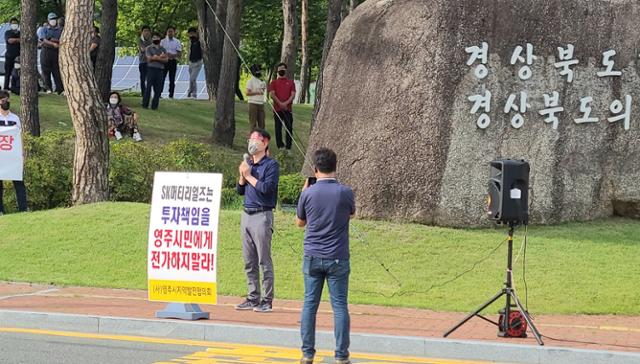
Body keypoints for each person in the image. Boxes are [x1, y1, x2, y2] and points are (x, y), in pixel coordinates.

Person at [295, 148, 355, 364]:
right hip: (338, 255)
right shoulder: (345, 192)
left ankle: (307, 353)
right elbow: (350, 214)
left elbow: (300, 223)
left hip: (312, 255)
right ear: (335, 166)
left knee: (310, 304)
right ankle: (341, 355)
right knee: (339, 306)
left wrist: (305, 193)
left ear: (315, 169)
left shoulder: (308, 193)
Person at [236, 129, 280, 313]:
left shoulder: (271, 165)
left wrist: (248, 176)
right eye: (250, 138)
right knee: (249, 260)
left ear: (265, 143)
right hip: (246, 214)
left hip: (262, 215)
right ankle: (252, 296)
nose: (252, 142)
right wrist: (242, 175)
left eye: (256, 139)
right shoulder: (248, 164)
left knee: (264, 259)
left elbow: (266, 189)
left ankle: (266, 300)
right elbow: (240, 191)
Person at [0, 90, 28, 215]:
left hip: (13, 156)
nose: (6, 102)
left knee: (19, 182)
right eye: (3, 100)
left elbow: (19, 136)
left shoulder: (15, 118)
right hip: (1, 155)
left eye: (7, 99)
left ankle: (23, 209)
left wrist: (22, 154)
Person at [268, 62, 296, 150]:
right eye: (280, 70)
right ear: (277, 71)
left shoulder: (291, 83)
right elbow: (272, 94)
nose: (281, 71)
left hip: (288, 109)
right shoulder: (273, 83)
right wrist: (280, 103)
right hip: (277, 109)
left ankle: (288, 147)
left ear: (286, 70)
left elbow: (293, 95)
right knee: (278, 128)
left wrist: (286, 103)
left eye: (283, 69)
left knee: (289, 128)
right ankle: (280, 146)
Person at [142, 32, 168, 110]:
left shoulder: (163, 49)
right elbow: (149, 59)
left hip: (160, 70)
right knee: (148, 88)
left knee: (158, 89)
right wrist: (160, 57)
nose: (155, 39)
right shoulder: (149, 48)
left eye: (157, 37)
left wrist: (157, 57)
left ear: (160, 39)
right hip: (151, 69)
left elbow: (166, 60)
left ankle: (154, 106)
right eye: (154, 38)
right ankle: (145, 104)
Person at [41, 12, 64, 95]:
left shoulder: (60, 30)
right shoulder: (44, 29)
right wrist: (52, 43)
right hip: (46, 51)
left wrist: (52, 39)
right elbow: (43, 40)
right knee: (46, 71)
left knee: (56, 71)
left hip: (55, 52)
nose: (53, 21)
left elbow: (62, 40)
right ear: (48, 20)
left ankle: (60, 89)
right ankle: (48, 88)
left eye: (54, 19)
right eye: (51, 19)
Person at [160, 26, 182, 99]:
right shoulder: (162, 41)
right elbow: (159, 52)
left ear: (174, 32)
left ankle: (171, 95)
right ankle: (159, 93)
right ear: (166, 32)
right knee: (162, 78)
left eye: (171, 31)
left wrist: (172, 55)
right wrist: (166, 55)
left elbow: (179, 54)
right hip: (164, 61)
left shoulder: (177, 41)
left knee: (172, 79)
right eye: (169, 31)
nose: (170, 33)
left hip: (173, 61)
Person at [246, 64, 266, 132]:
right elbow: (247, 93)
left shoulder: (262, 81)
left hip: (261, 103)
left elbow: (262, 91)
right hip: (252, 103)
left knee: (262, 124)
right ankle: (252, 140)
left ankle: (261, 140)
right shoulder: (250, 81)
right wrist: (257, 92)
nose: (259, 72)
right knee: (253, 124)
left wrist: (263, 89)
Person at [4, 18, 20, 92]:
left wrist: (15, 40)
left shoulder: (20, 33)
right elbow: (10, 40)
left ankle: (15, 87)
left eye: (15, 23)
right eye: (13, 23)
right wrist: (18, 40)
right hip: (9, 55)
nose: (14, 24)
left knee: (17, 72)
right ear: (10, 25)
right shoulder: (7, 32)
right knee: (8, 72)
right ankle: (6, 87)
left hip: (18, 57)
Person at [186, 27, 203, 99]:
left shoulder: (200, 41)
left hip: (198, 62)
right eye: (190, 34)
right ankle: (192, 94)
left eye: (193, 33)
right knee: (192, 79)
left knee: (192, 78)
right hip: (191, 62)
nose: (191, 35)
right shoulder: (191, 41)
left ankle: (191, 92)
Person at [138, 25, 152, 95]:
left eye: (147, 31)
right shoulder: (140, 40)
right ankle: (143, 93)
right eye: (145, 31)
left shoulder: (151, 40)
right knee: (143, 79)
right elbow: (142, 50)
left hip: (150, 62)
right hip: (143, 62)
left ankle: (148, 93)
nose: (146, 32)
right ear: (142, 32)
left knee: (150, 79)